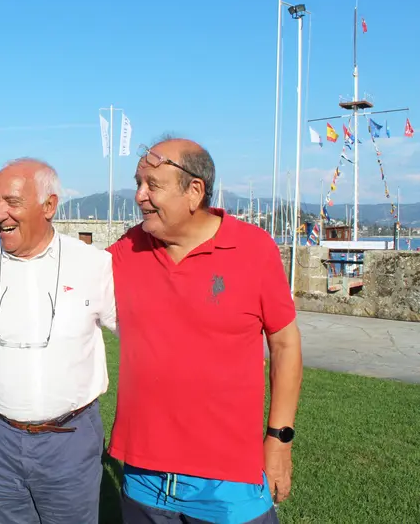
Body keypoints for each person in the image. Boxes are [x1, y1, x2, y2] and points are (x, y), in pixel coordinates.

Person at [107, 138, 303, 524]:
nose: (139, 195)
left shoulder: (254, 248)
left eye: (153, 185)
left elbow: (284, 344)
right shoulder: (127, 249)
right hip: (143, 478)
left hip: (229, 481)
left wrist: (279, 441)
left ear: (194, 190)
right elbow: (58, 265)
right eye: (138, 183)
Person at [0, 158, 117, 524]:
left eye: (11, 201)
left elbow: (139, 335)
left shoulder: (93, 265)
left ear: (49, 205)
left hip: (70, 438)